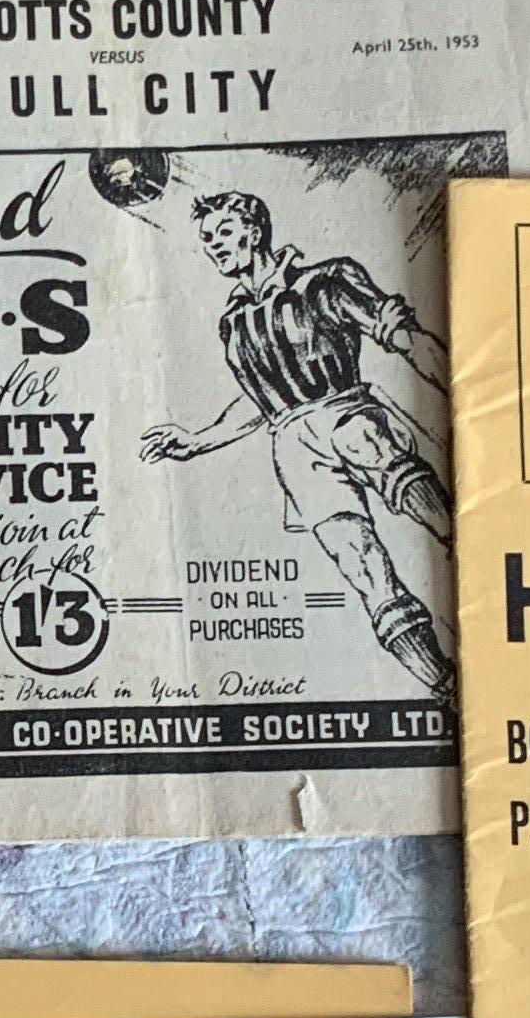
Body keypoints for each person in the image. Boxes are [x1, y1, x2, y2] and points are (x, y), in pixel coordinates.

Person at [137, 188, 456, 690]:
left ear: (255, 231)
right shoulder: (234, 322)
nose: (214, 244)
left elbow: (404, 337)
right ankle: (445, 687)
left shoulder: (324, 281)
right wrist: (197, 441)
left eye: (224, 231)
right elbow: (261, 401)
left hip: (345, 411)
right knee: (361, 565)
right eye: (206, 238)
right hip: (293, 446)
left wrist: (464, 388)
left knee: (376, 454)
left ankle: (469, 545)